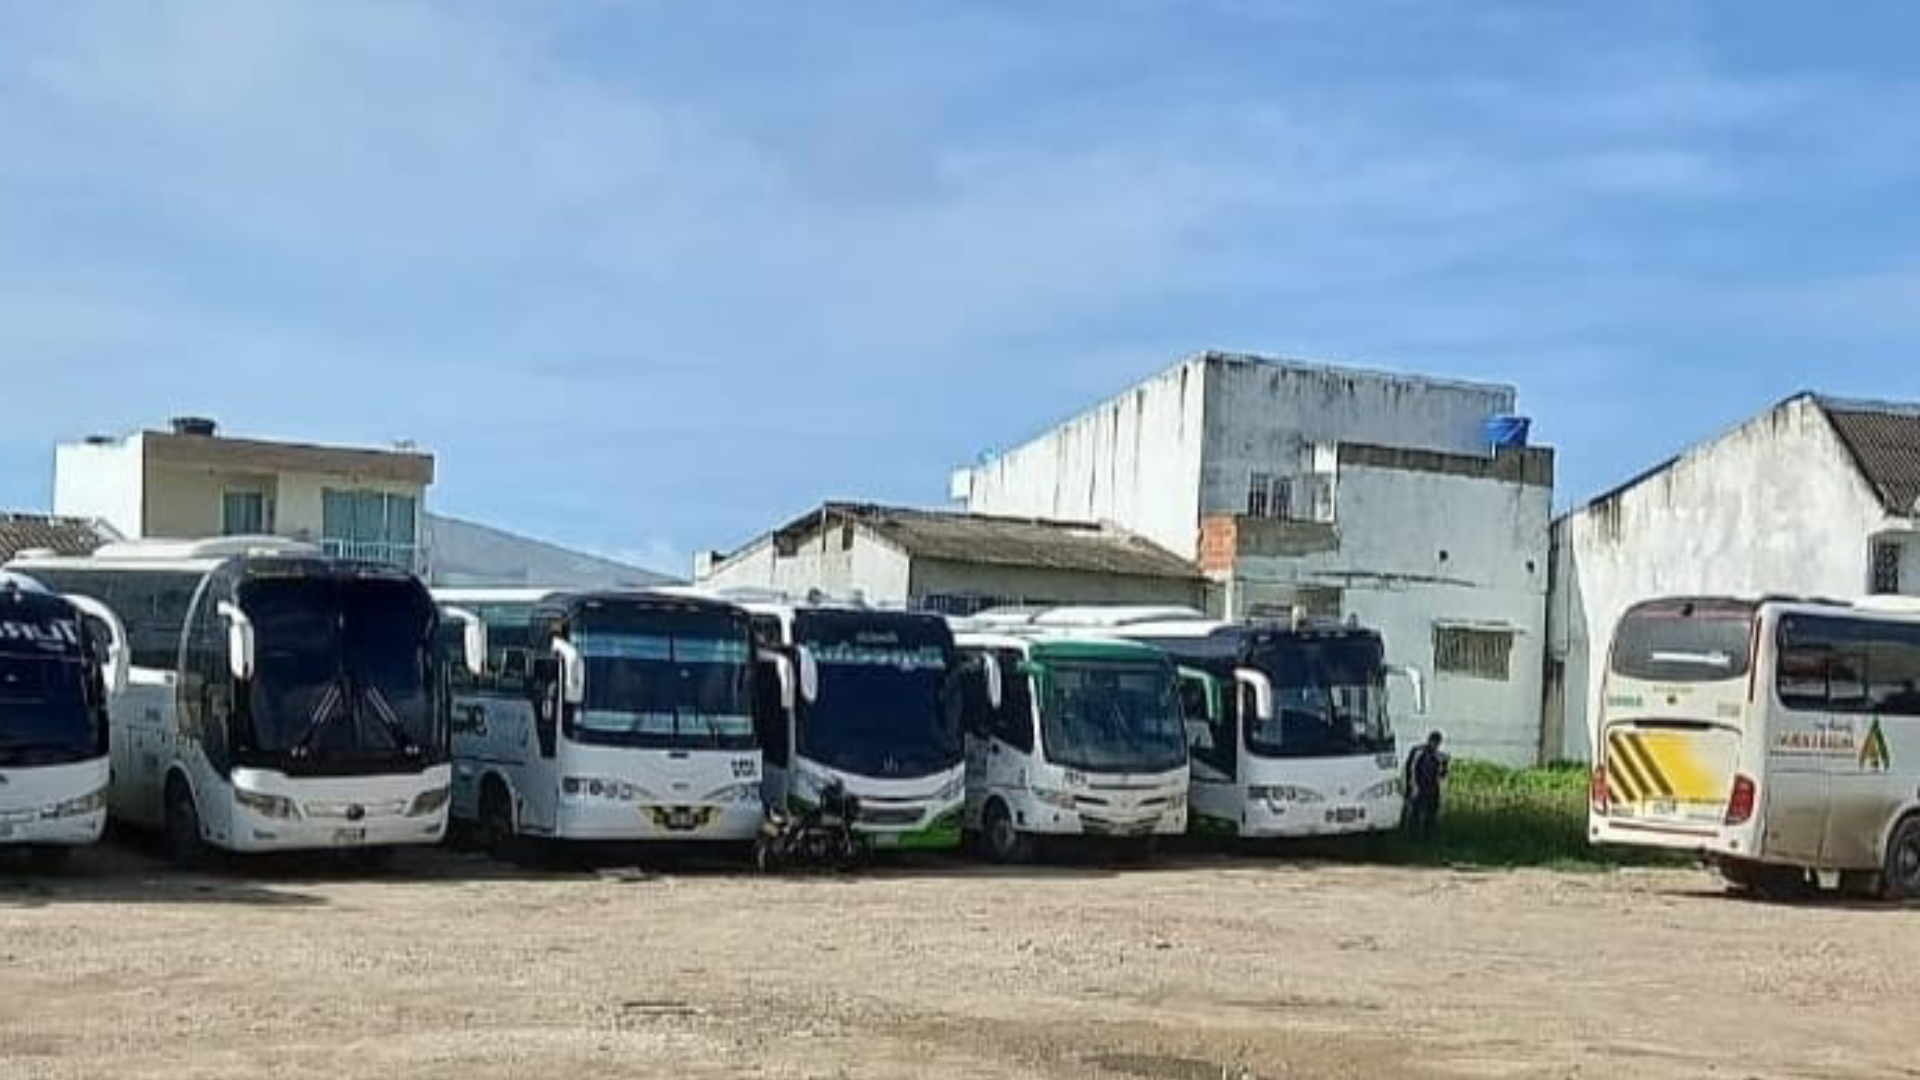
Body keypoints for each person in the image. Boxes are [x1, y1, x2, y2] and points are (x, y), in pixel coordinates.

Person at [1404, 731, 1449, 841]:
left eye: (1437, 743)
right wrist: (1412, 786)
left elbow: (1442, 775)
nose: (1435, 745)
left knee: (1432, 812)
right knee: (1415, 812)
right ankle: (1412, 836)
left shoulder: (1439, 755)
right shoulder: (1418, 751)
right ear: (1429, 740)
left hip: (1432, 787)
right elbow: (1410, 769)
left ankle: (1428, 836)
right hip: (1419, 785)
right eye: (1434, 742)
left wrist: (1445, 764)